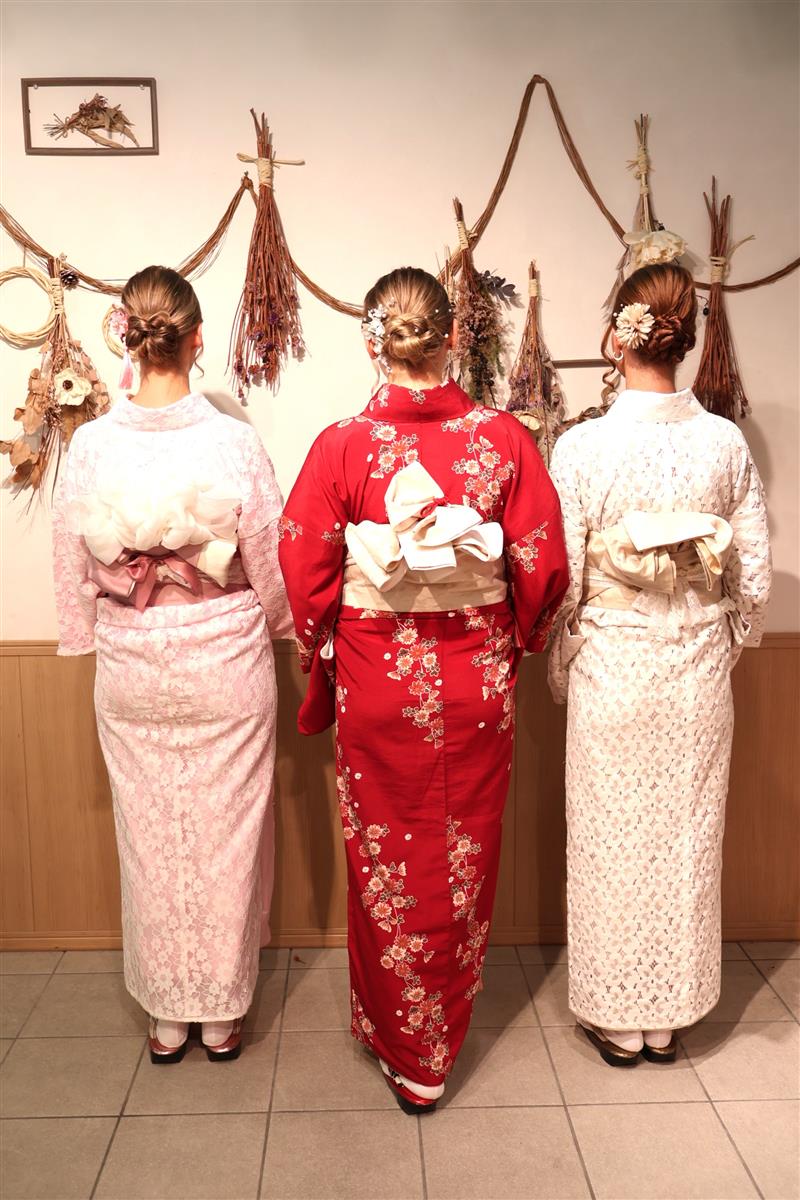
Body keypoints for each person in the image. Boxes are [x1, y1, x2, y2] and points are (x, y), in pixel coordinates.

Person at [278, 266, 569, 1111]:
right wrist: (517, 641)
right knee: (461, 856)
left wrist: (324, 646)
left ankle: (401, 1041)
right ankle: (435, 1045)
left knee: (387, 862)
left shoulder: (341, 445)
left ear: (374, 342)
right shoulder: (503, 440)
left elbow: (304, 566)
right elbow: (543, 564)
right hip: (475, 681)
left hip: (378, 681)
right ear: (453, 336)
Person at [52, 266, 292, 1064]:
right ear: (196, 341)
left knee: (149, 838)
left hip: (133, 658)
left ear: (127, 339)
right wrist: (285, 625)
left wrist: (83, 634)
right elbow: (268, 553)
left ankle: (166, 1017)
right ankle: (219, 1015)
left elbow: (70, 556)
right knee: (229, 834)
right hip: (224, 655)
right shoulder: (232, 440)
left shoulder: (92, 444)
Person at [548, 262, 772, 1066]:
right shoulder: (724, 442)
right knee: (685, 836)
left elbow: (561, 577)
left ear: (619, 337)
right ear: (687, 343)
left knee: (611, 837)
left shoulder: (582, 447)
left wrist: (568, 652)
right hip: (697, 666)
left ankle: (618, 1014)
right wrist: (723, 634)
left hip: (616, 660)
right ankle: (670, 1014)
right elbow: (753, 573)